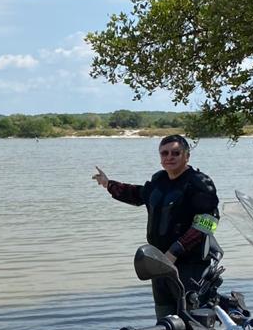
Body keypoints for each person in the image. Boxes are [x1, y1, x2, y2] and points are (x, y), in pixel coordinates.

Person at [93, 135, 219, 318]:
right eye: (164, 153)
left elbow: (209, 222)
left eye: (176, 153)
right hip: (159, 262)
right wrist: (108, 184)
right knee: (165, 320)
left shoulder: (199, 183)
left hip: (191, 265)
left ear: (187, 156)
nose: (170, 157)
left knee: (191, 319)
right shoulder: (159, 181)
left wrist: (175, 251)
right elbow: (137, 194)